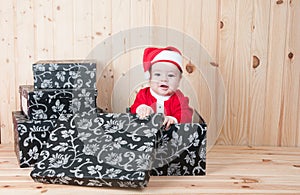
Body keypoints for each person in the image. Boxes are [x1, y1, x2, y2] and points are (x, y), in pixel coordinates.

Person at [130, 46, 193, 129]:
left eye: (171, 75)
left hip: (171, 139)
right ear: (149, 77)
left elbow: (187, 114)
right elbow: (133, 109)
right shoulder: (143, 94)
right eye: (158, 74)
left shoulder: (178, 97)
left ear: (179, 79)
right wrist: (141, 108)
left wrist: (174, 119)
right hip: (146, 137)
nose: (164, 79)